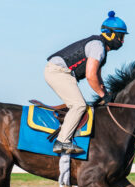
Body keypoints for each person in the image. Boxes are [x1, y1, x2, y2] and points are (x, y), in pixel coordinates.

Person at [45, 10, 128, 154]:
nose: (122, 41)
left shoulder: (101, 49)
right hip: (58, 72)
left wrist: (106, 93)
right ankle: (62, 141)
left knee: (80, 104)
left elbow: (98, 76)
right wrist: (103, 95)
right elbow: (90, 76)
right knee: (78, 105)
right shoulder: (98, 47)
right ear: (111, 34)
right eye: (121, 36)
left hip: (62, 72)